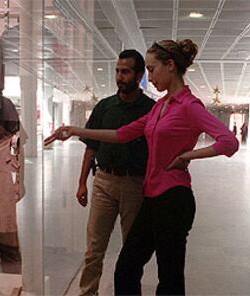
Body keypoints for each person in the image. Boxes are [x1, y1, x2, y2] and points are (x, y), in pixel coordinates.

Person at [45, 39, 239, 295]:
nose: (149, 76)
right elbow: (122, 134)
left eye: (152, 69)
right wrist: (74, 130)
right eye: (146, 70)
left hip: (173, 197)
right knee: (127, 267)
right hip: (151, 196)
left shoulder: (189, 106)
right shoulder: (161, 106)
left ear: (170, 66)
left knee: (169, 277)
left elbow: (229, 142)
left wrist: (187, 155)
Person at [76, 49, 155, 296]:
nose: (119, 77)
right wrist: (82, 183)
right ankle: (88, 293)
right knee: (93, 249)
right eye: (117, 71)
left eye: (125, 72)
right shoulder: (104, 107)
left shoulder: (151, 110)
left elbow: (156, 153)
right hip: (103, 182)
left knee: (132, 251)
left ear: (139, 75)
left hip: (135, 185)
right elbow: (91, 147)